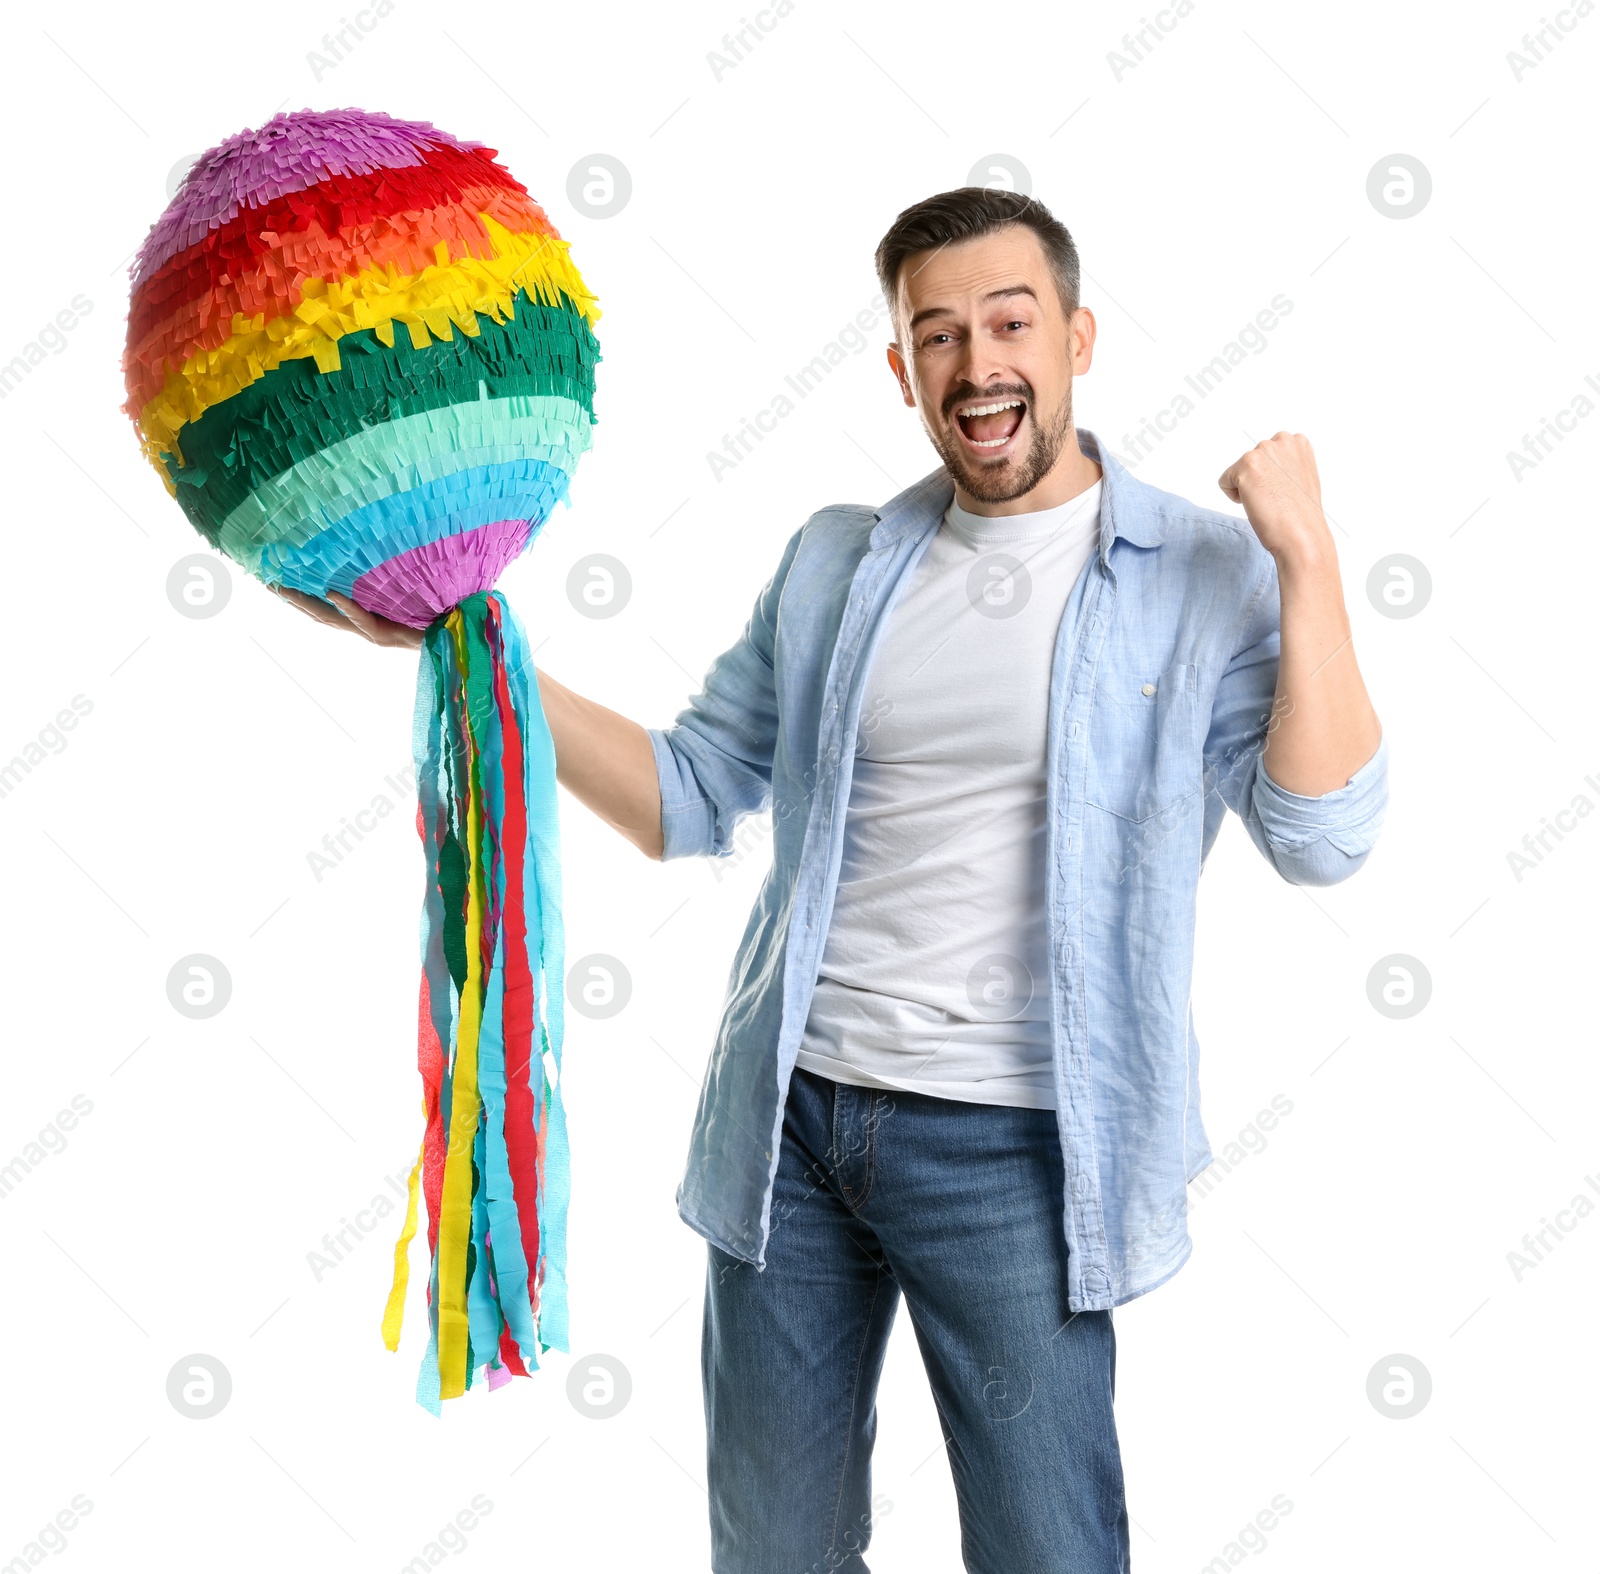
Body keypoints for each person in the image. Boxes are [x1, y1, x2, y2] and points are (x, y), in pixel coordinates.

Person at [278, 187, 1388, 1574]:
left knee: (1050, 1551)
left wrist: (1311, 559)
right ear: (902, 370)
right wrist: (471, 645)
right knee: (773, 1555)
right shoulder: (833, 561)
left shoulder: (1198, 569)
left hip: (1016, 1153)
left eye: (1009, 322)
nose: (977, 364)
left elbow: (1323, 832)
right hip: (789, 1129)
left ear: (1079, 337)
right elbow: (686, 796)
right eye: (938, 335)